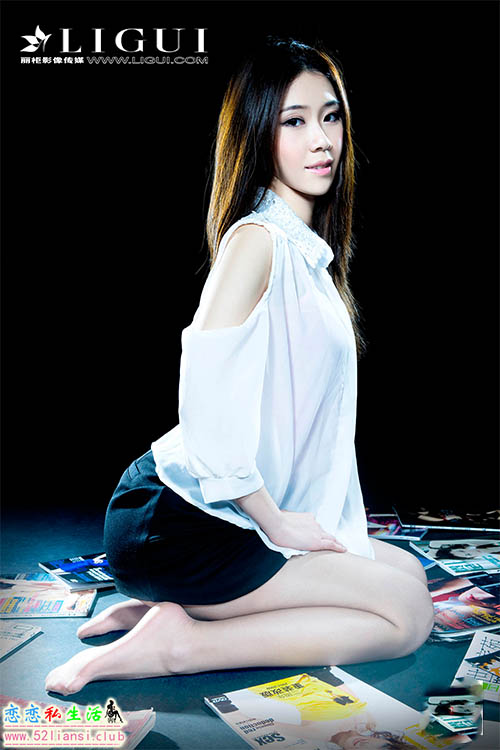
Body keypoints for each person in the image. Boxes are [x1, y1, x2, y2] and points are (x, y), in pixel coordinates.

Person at [45, 36, 434, 696]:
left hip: (232, 515)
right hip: (180, 523)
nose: (322, 141)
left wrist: (299, 522)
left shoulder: (305, 252)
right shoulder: (257, 241)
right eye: (293, 121)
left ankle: (183, 609)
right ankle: (181, 643)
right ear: (259, 134)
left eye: (330, 116)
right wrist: (277, 523)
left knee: (410, 577)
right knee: (407, 618)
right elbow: (205, 405)